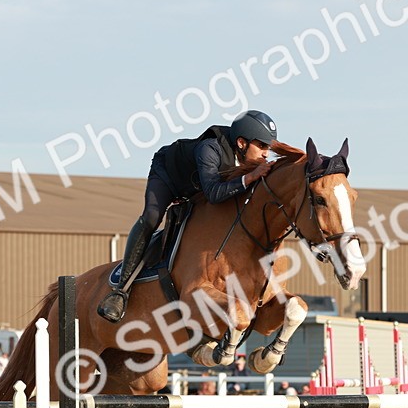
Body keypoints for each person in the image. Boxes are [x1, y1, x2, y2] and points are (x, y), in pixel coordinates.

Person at [96, 110, 279, 323]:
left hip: (198, 187)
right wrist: (249, 178)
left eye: (268, 148)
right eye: (262, 146)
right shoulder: (210, 148)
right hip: (169, 175)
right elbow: (213, 193)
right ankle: (120, 291)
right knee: (152, 218)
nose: (266, 153)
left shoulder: (247, 160)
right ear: (241, 142)